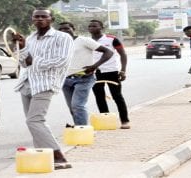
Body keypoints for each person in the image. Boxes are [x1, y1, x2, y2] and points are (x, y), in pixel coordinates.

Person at [12, 7, 74, 169]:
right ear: (32, 20)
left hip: (45, 83)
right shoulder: (31, 38)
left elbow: (62, 61)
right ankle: (44, 156)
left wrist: (34, 61)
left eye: (43, 16)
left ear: (51, 19)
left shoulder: (62, 37)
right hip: (27, 82)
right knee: (33, 122)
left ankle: (59, 156)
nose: (39, 19)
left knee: (34, 120)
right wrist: (22, 46)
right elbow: (24, 63)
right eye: (36, 17)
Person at [58, 22, 113, 125]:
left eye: (66, 28)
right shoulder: (58, 44)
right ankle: (79, 131)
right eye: (61, 30)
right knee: (72, 108)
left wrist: (95, 66)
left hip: (83, 78)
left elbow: (108, 52)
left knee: (77, 105)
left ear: (73, 28)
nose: (64, 31)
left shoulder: (83, 40)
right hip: (65, 80)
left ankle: (82, 130)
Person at [88, 19, 130, 129]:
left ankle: (125, 121)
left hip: (111, 71)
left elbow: (123, 54)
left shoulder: (112, 39)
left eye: (94, 26)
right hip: (95, 72)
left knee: (117, 96)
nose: (91, 28)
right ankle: (105, 121)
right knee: (99, 97)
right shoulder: (87, 41)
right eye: (90, 26)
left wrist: (123, 70)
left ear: (101, 27)